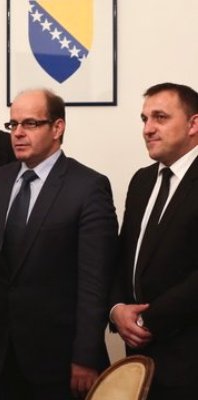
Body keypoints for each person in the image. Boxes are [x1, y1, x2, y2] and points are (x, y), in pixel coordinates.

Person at [0, 89, 117, 399]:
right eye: (13, 124)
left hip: (59, 363)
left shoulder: (88, 187)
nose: (18, 133)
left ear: (57, 128)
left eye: (30, 123)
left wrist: (85, 355)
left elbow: (94, 282)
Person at [110, 82, 198, 399]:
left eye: (160, 117)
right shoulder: (142, 180)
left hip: (189, 362)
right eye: (144, 119)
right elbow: (123, 257)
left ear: (193, 124)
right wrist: (117, 309)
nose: (148, 129)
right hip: (138, 364)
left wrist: (147, 320)